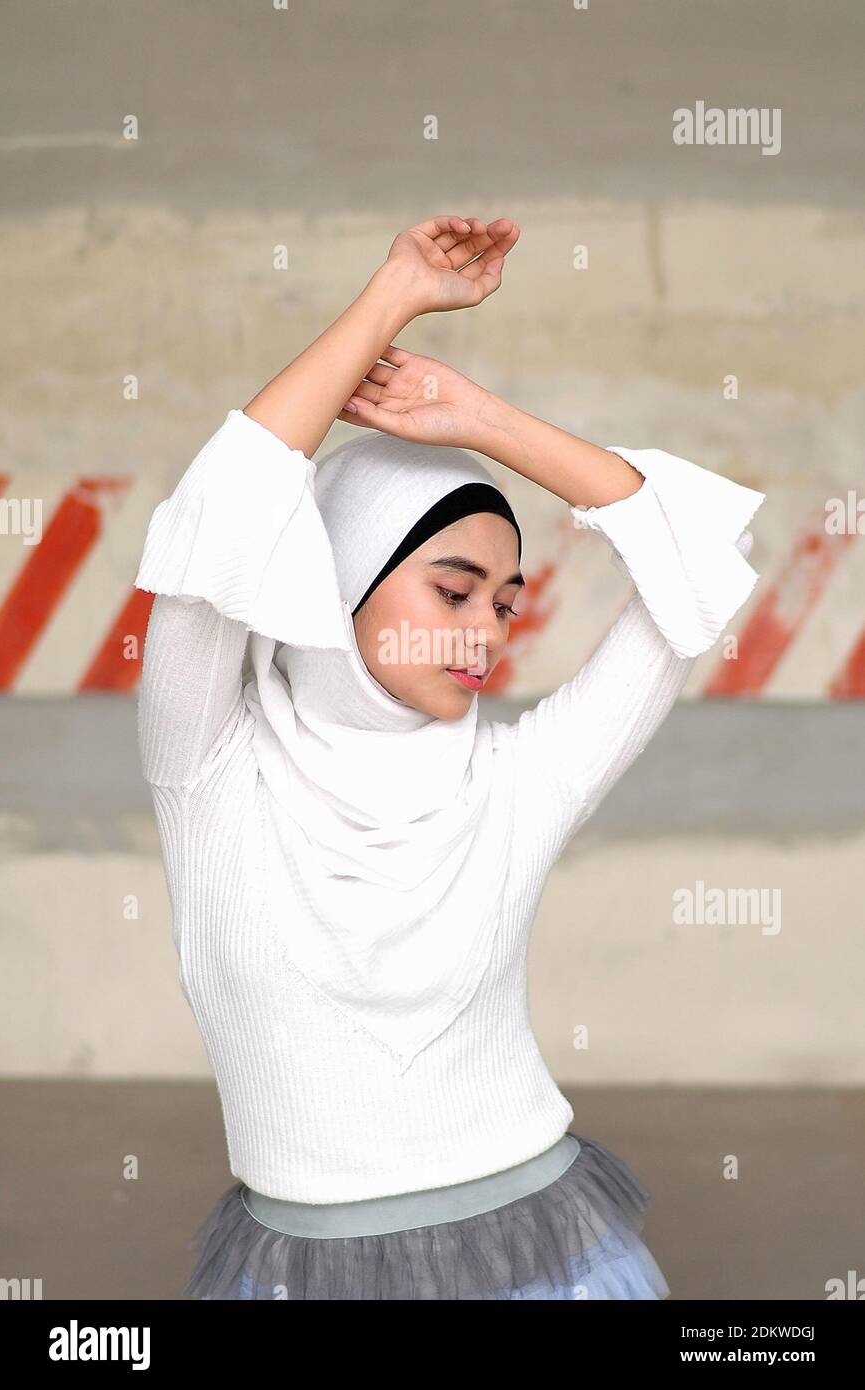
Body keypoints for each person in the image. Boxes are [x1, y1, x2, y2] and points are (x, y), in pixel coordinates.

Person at [134, 215, 766, 1300]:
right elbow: (218, 522)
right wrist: (389, 298)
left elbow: (697, 569)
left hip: (555, 1265)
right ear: (342, 576)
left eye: (507, 601)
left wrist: (479, 421)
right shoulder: (209, 771)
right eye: (453, 588)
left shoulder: (521, 779)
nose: (486, 631)